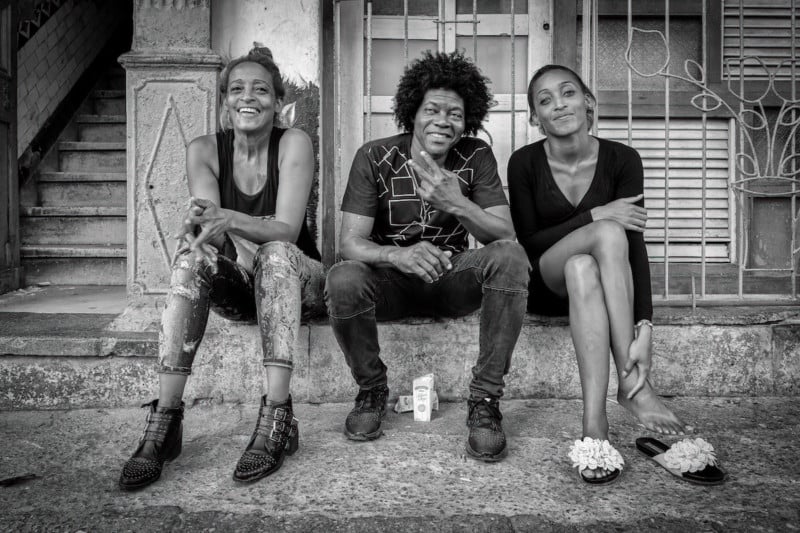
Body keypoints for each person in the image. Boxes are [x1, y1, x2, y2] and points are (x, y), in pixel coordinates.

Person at [119, 46, 325, 489]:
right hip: (246, 283)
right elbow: (211, 224)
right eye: (236, 89)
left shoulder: (294, 142)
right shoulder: (204, 150)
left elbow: (286, 230)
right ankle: (166, 421)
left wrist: (228, 219)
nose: (247, 97)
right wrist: (201, 234)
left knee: (273, 253)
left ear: (278, 100)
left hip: (299, 279)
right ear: (224, 102)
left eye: (260, 90)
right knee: (192, 259)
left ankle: (276, 415)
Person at [324, 50, 530, 462]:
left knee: (509, 257)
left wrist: (457, 203)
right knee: (343, 277)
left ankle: (485, 401)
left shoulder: (476, 156)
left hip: (451, 278)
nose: (443, 120)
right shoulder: (374, 156)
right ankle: (371, 390)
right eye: (432, 109)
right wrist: (396, 256)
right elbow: (350, 243)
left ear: (467, 120)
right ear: (411, 113)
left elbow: (504, 235)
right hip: (389, 285)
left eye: (455, 113)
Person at [507, 64, 689, 484]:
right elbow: (530, 243)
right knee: (607, 230)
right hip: (547, 283)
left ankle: (595, 425)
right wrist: (596, 214)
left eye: (568, 93)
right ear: (536, 118)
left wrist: (646, 322)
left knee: (585, 264)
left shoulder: (623, 159)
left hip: (596, 286)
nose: (559, 105)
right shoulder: (524, 163)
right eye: (545, 100)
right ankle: (633, 385)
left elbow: (635, 245)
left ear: (588, 101)